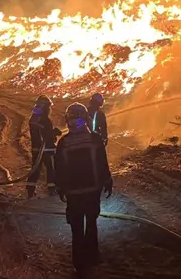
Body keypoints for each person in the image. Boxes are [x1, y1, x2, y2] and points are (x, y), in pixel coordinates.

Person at [55, 103, 113, 272]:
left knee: (76, 227)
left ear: (68, 120)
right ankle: (92, 255)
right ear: (86, 118)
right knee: (92, 222)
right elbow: (103, 163)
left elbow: (58, 168)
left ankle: (79, 262)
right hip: (92, 191)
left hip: (73, 194)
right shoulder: (94, 139)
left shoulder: (63, 143)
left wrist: (60, 188)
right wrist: (107, 181)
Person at [26, 95, 62, 198]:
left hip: (36, 149)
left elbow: (42, 133)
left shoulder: (33, 119)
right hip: (46, 149)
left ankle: (30, 189)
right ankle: (52, 189)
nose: (49, 109)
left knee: (35, 169)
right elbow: (47, 135)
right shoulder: (45, 120)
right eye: (48, 107)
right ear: (45, 107)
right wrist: (55, 133)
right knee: (51, 169)